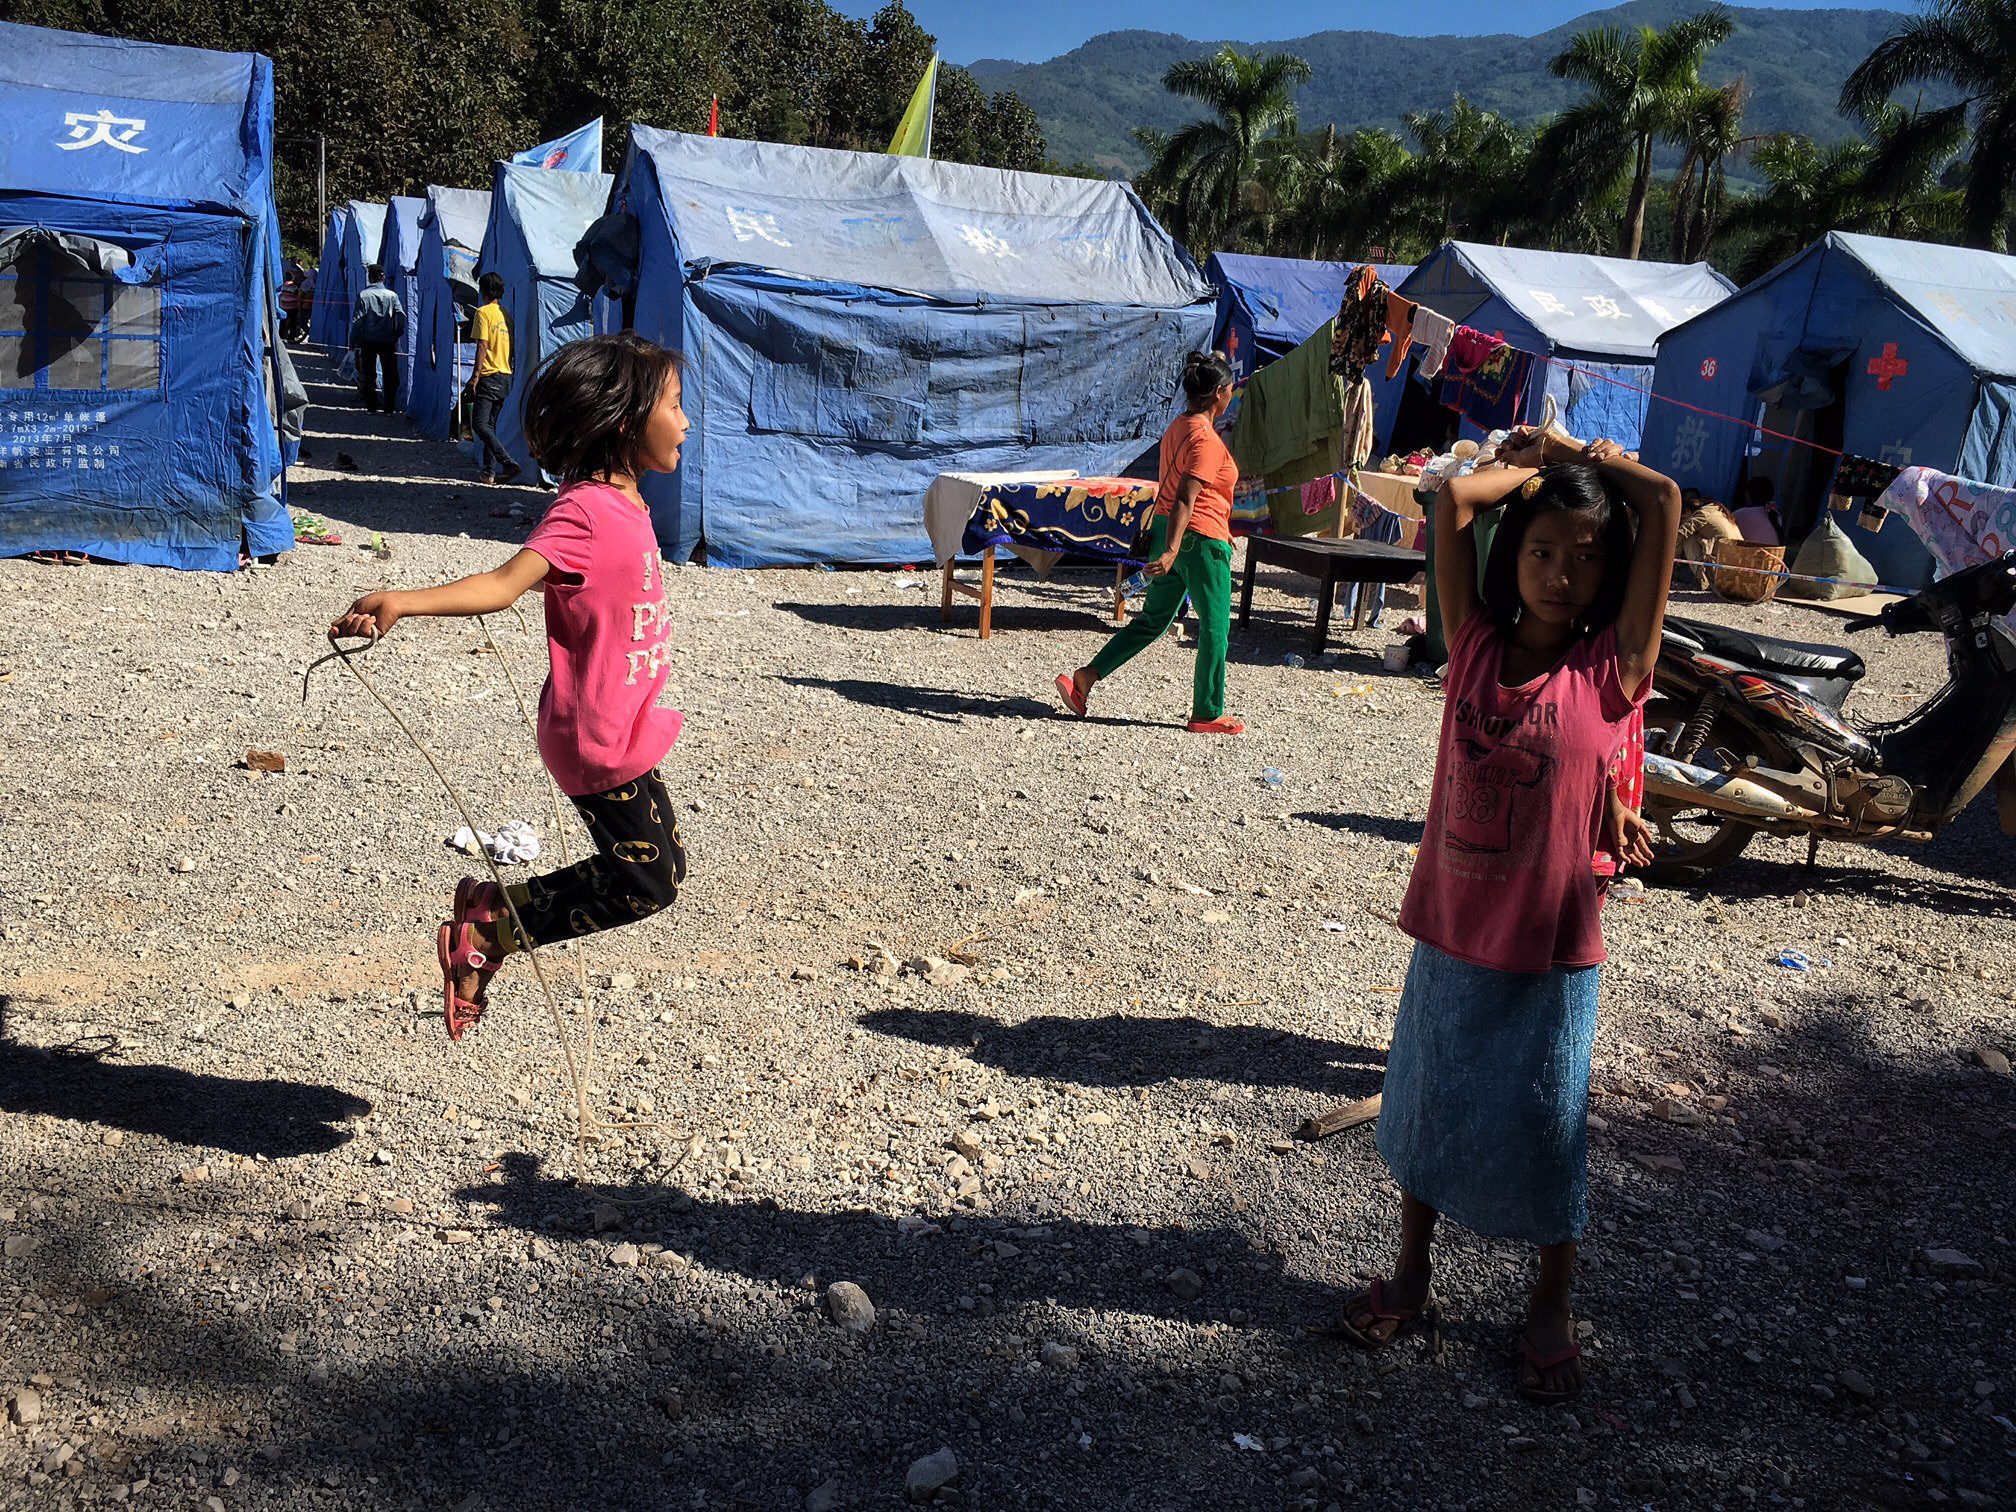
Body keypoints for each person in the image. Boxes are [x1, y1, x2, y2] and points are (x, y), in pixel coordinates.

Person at [1330, 427, 1680, 1404]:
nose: (1561, 574)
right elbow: (1447, 502)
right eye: (1540, 550)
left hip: (1553, 951)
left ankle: (1549, 1300)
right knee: (1431, 1106)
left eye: (1583, 557)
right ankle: (1412, 1275)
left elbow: (1664, 505)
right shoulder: (1473, 642)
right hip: (1453, 934)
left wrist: (1587, 459)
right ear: (1510, 558)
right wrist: (1534, 468)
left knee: (1545, 1129)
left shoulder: (1613, 669)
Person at [329, 334, 689, 1039]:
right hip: (594, 734)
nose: (685, 422)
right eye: (674, 406)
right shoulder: (584, 510)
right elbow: (502, 584)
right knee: (648, 881)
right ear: (625, 420)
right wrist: (404, 599)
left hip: (626, 722)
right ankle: (488, 925)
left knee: (656, 870)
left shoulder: (629, 501)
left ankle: (491, 919)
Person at [1054, 350, 1244, 735]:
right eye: (1230, 390)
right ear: (1218, 395)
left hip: (1165, 532)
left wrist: (1168, 547)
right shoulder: (1206, 439)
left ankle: (1085, 678)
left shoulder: (1178, 426)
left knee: (1153, 621)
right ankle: (1207, 711)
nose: (1232, 396)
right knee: (1215, 628)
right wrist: (1176, 550)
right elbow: (1187, 498)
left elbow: (1174, 495)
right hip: (1198, 540)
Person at [467, 272, 520, 485]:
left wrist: (475, 376)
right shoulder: (506, 316)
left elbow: (482, 345)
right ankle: (488, 473)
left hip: (489, 374)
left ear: (484, 291)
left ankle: (507, 463)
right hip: (505, 375)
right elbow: (512, 349)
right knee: (490, 425)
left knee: (479, 424)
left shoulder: (483, 313)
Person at [350, 263, 405, 413]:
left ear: (369, 277)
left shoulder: (363, 295)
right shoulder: (392, 296)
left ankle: (371, 406)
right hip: (387, 341)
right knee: (390, 374)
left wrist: (352, 340)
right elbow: (401, 318)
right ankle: (389, 408)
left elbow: (358, 321)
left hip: (368, 340)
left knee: (369, 374)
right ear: (383, 277)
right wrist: (396, 333)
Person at [1732, 475, 1783, 545]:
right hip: (1773, 554)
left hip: (1752, 554)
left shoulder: (1740, 514)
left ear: (1748, 494)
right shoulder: (1776, 514)